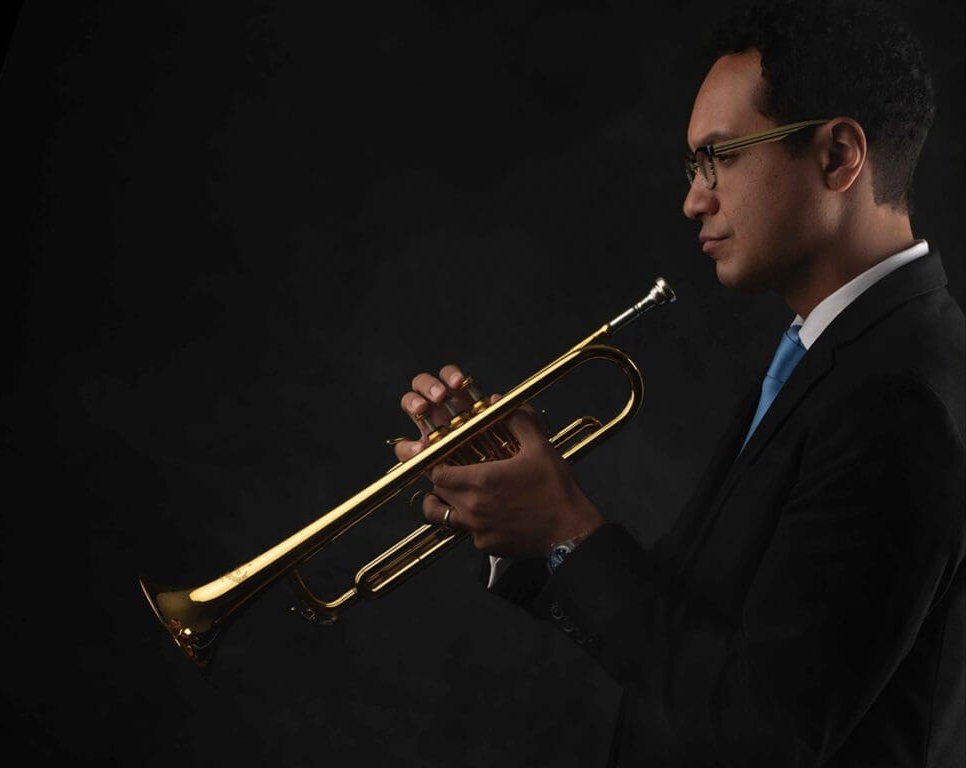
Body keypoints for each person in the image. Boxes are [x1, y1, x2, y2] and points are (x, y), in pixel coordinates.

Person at [392, 0, 964, 765]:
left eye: (720, 158)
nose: (695, 199)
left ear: (837, 157)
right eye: (694, 166)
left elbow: (767, 730)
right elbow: (698, 630)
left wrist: (568, 527)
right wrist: (517, 518)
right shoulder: (831, 352)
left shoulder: (900, 395)